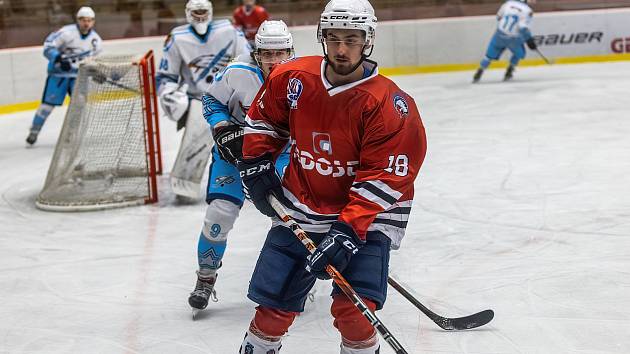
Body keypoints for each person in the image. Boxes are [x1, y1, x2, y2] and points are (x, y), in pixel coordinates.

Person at [235, 0, 427, 353]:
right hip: (302, 204)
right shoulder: (292, 78)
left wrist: (348, 230)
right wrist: (258, 162)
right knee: (272, 309)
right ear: (322, 37)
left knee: (354, 313)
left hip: (369, 217)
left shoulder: (389, 104)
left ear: (367, 40)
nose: (341, 49)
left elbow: (386, 176)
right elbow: (264, 121)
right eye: (334, 38)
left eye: (351, 39)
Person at [188, 20, 295, 312]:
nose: (274, 61)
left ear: (291, 51)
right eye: (267, 54)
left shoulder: (303, 78)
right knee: (218, 213)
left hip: (279, 155)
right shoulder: (237, 72)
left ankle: (293, 275)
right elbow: (211, 100)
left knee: (289, 218)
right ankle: (206, 277)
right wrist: (222, 128)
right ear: (256, 53)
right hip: (234, 156)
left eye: (281, 53)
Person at [156, 0, 250, 200]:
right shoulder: (177, 38)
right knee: (195, 148)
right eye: (196, 12)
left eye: (203, 12)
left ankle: (248, 182)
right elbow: (166, 77)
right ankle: (185, 186)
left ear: (211, 11)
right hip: (198, 100)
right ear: (188, 13)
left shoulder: (230, 31)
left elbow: (248, 61)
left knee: (239, 145)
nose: (200, 17)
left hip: (229, 100)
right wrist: (170, 97)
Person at [26, 6, 102, 145]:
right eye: (84, 20)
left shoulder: (96, 41)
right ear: (78, 20)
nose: (86, 23)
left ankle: (71, 134)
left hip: (78, 77)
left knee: (79, 105)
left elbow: (91, 61)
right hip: (59, 76)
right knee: (47, 106)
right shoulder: (65, 32)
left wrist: (95, 72)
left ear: (93, 22)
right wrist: (59, 58)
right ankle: (34, 130)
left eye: (90, 20)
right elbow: (48, 46)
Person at [473, 0, 537, 83]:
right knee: (518, 53)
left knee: (489, 55)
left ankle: (479, 72)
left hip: (499, 35)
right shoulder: (527, 10)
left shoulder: (508, 3)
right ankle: (509, 71)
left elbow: (498, 17)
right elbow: (523, 28)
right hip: (513, 38)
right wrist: (529, 39)